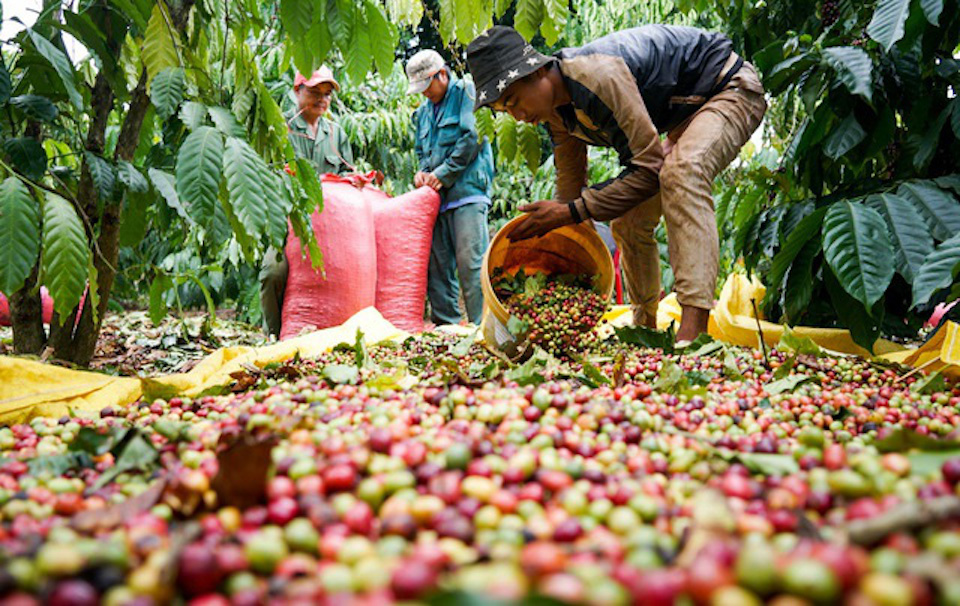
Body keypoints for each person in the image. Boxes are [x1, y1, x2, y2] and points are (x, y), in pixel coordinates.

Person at [466, 26, 767, 342]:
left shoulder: (598, 77)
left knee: (682, 172)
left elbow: (648, 172)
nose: (515, 115)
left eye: (513, 101)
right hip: (684, 116)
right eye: (504, 110)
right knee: (628, 223)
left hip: (728, 88)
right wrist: (560, 244)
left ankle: (693, 334)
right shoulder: (555, 111)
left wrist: (574, 211)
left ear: (538, 70)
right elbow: (569, 183)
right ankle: (644, 328)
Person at [260, 66, 354, 338]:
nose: (322, 99)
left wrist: (356, 181)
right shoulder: (281, 129)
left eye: (327, 94)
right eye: (315, 92)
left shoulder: (336, 134)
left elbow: (347, 173)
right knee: (273, 274)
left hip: (330, 228)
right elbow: (269, 174)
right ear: (296, 91)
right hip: (288, 223)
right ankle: (274, 337)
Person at [406, 50, 495, 326]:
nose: (424, 94)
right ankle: (447, 330)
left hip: (467, 194)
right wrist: (422, 173)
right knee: (437, 266)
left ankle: (483, 328)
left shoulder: (465, 92)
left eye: (427, 87)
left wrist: (444, 173)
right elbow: (421, 151)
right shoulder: (422, 112)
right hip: (436, 200)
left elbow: (473, 137)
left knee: (470, 263)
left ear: (442, 74)